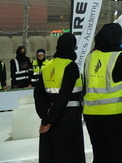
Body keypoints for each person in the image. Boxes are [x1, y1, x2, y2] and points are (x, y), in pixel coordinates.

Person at [83, 23, 122, 163]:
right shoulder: (121, 57)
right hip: (115, 114)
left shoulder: (90, 56)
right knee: (115, 156)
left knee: (99, 154)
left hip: (91, 113)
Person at [34, 33, 85, 162]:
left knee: (53, 154)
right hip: (69, 118)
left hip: (51, 116)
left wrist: (45, 117)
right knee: (70, 154)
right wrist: (49, 119)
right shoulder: (70, 66)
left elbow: (38, 93)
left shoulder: (47, 66)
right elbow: (64, 95)